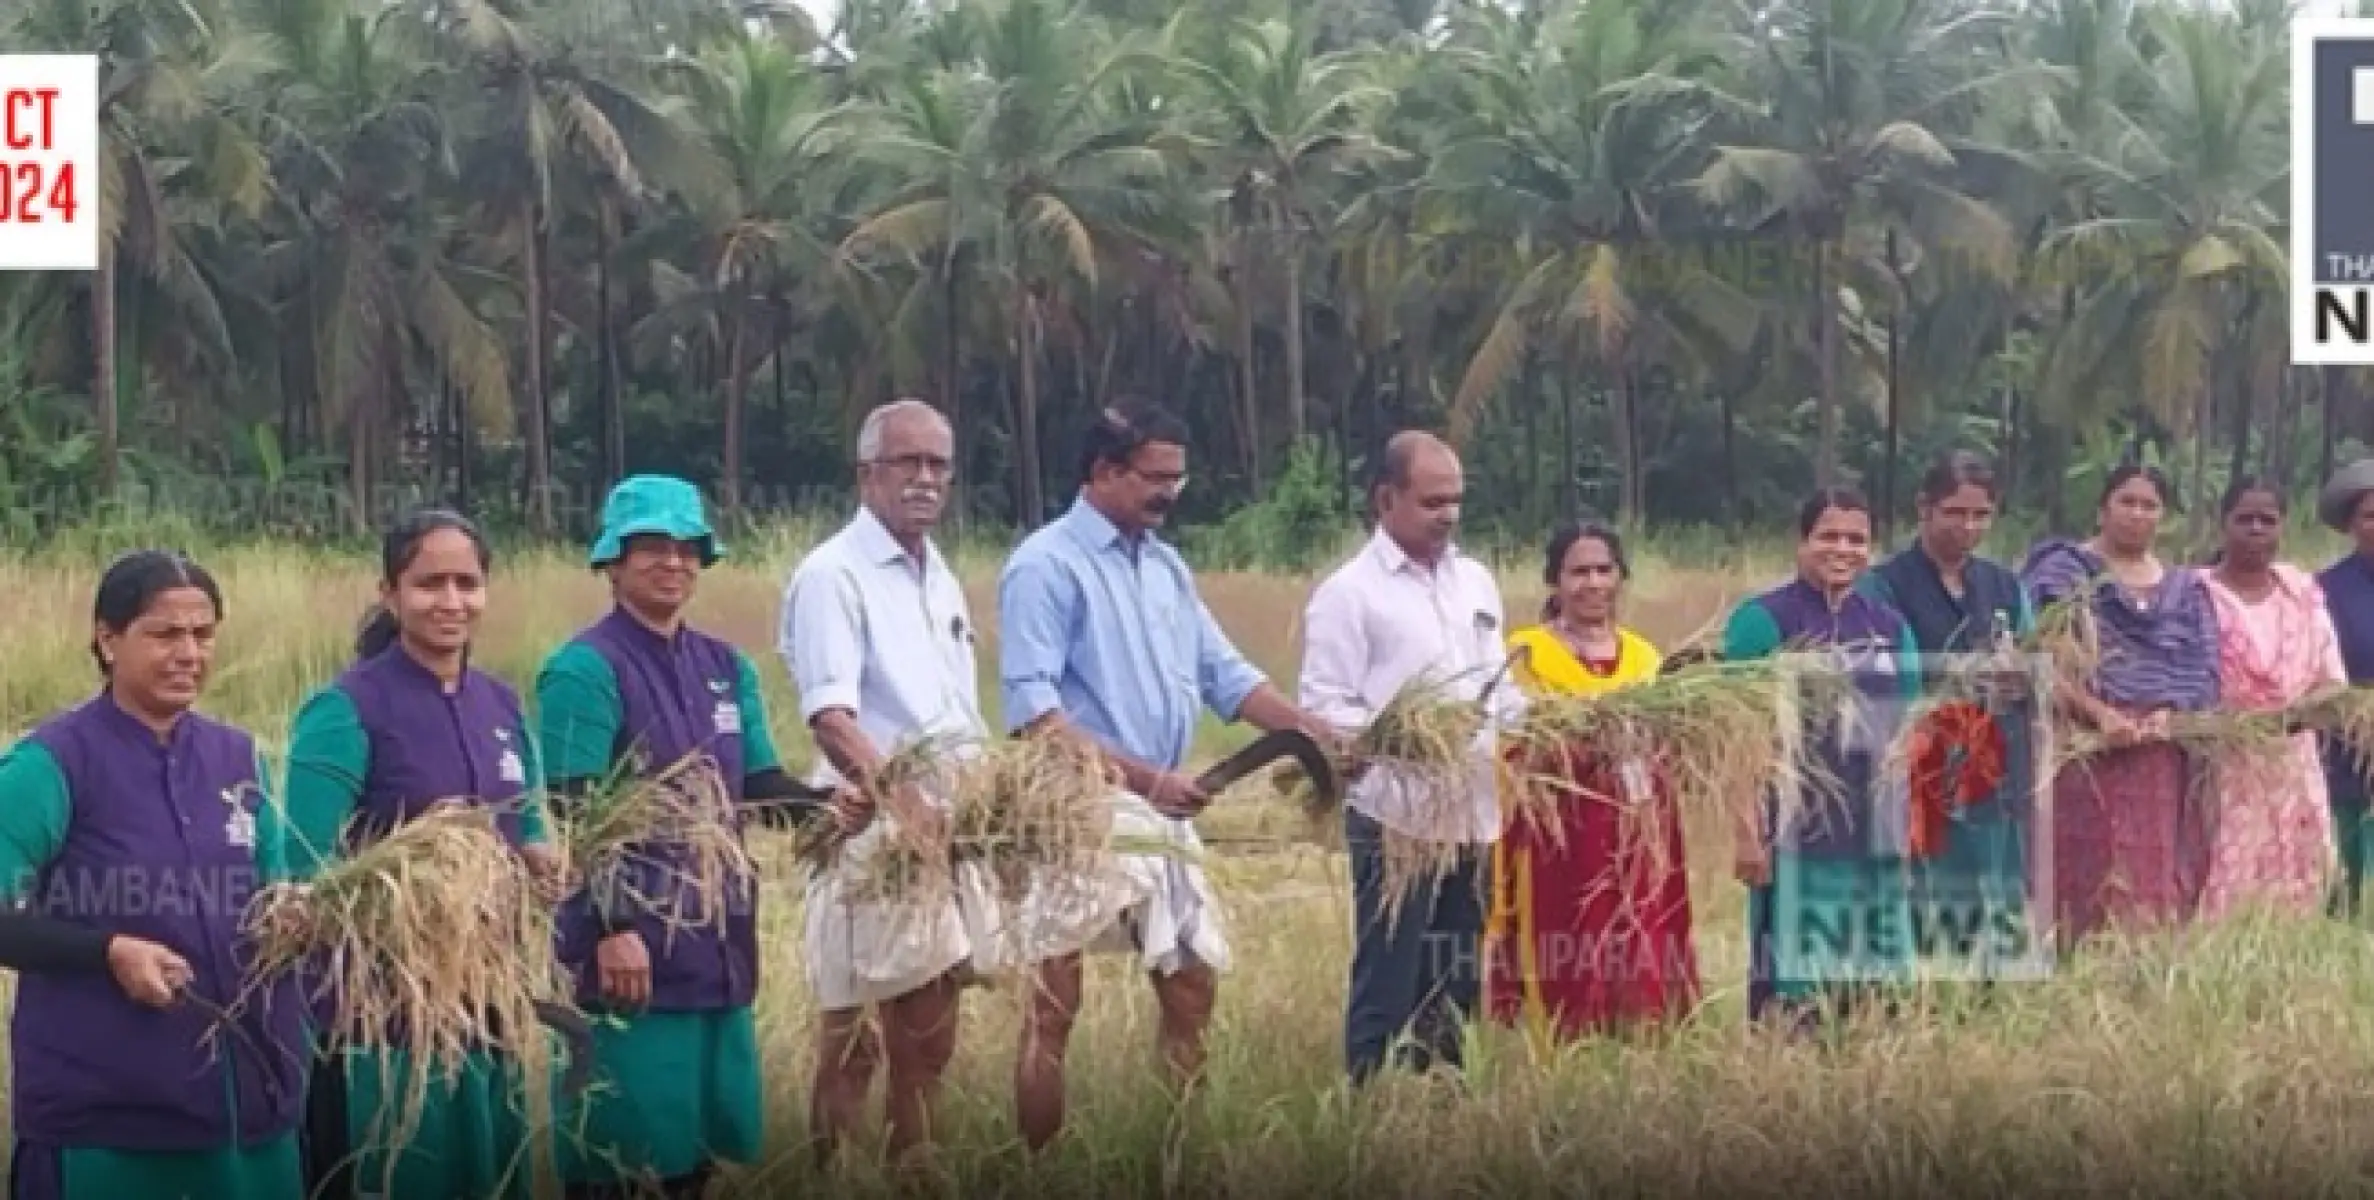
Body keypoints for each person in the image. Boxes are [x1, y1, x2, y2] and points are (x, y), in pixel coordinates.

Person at [997, 398, 1337, 1149]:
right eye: (1156, 478)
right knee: (1055, 1000)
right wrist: (1147, 781)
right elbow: (1036, 719)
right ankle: (1033, 1169)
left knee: (1191, 987)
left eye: (1177, 479)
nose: (1170, 494)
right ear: (1104, 472)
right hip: (1075, 803)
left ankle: (1178, 1157)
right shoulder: (1045, 566)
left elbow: (1227, 677)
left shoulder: (1165, 567)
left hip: (1161, 812)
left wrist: (1318, 734)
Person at [536, 474, 865, 1200]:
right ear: (612, 562)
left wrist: (825, 807)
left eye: (688, 548)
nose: (673, 562)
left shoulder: (724, 667)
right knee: (625, 1160)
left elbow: (756, 785)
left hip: (717, 941)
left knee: (699, 1161)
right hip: (633, 951)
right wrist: (613, 926)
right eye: (650, 546)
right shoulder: (584, 670)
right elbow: (572, 809)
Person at [0, 550, 309, 1200]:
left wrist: (292, 912)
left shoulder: (238, 757)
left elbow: (273, 888)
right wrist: (107, 952)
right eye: (165, 634)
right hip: (112, 1126)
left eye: (203, 634)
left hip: (249, 1112)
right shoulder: (52, 765)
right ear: (108, 640)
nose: (189, 653)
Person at [280, 509, 564, 1199]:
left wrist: (540, 863)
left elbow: (526, 828)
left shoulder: (499, 704)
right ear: (389, 592)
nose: (451, 601)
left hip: (484, 1006)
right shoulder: (345, 710)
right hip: (381, 1021)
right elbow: (304, 874)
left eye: (467, 583)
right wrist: (420, 898)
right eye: (429, 583)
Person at [780, 400, 984, 1167]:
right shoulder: (833, 575)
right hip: (870, 832)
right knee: (855, 1038)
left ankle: (912, 1173)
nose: (925, 479)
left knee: (929, 1033)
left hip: (942, 834)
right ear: (867, 475)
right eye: (908, 463)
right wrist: (907, 807)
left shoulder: (942, 579)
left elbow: (956, 712)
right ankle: (830, 1174)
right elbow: (831, 717)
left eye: (938, 464)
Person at [1299, 432, 1517, 1084]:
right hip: (1395, 817)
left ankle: (1443, 1101)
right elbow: (1325, 706)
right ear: (1386, 499)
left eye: (1455, 500)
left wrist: (1545, 721)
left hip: (1472, 812)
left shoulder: (1474, 580)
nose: (1448, 514)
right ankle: (1368, 1104)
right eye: (1432, 501)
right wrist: (1406, 739)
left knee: (1456, 974)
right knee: (1390, 971)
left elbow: (1499, 684)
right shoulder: (1349, 594)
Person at [1483, 519, 1700, 1044]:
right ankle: (1561, 1035)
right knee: (1566, 926)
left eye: (1605, 570)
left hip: (1635, 820)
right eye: (1579, 571)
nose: (1594, 583)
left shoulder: (1644, 657)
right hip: (1561, 824)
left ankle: (1639, 1028)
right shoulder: (1526, 652)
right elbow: (1514, 735)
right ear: (1555, 581)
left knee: (1639, 924)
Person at [1724, 488, 1919, 1029]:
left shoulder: (1888, 626)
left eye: (1856, 539)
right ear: (1801, 542)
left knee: (1874, 980)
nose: (1843, 549)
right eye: (1828, 536)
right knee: (1795, 981)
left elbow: (1904, 734)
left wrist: (1907, 824)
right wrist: (1745, 830)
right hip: (1793, 822)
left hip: (1870, 823)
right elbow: (1739, 733)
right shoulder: (1762, 621)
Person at [2019, 464, 2221, 945]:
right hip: (2080, 747)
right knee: (2076, 865)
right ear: (2102, 508)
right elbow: (2036, 658)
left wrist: (2171, 717)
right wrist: (2098, 712)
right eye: (2126, 502)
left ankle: (2138, 972)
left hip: (2158, 753)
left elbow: (2203, 666)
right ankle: (2066, 960)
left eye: (2149, 505)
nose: (2137, 514)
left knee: (2147, 873)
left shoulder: (2185, 589)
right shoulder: (2065, 574)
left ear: (2163, 517)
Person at [1858, 452, 2039, 979]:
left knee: (1994, 878)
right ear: (1925, 509)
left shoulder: (2004, 586)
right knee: (1928, 883)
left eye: (1981, 515)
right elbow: (1885, 671)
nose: (1969, 527)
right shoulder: (1885, 584)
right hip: (1920, 761)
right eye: (1955, 513)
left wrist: (2020, 675)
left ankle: (1989, 993)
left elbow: (2032, 655)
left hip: (1995, 761)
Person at [2195, 478, 2346, 920]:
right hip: (2222, 760)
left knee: (2299, 878)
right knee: (2224, 873)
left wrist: (2306, 713)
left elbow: (2329, 673)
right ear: (2223, 525)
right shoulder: (2195, 594)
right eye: (2245, 519)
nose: (2256, 529)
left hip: (2294, 760)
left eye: (2268, 520)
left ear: (2282, 527)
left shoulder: (2301, 593)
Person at [2315, 458, 2374, 919]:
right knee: (2350, 843)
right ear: (2352, 525)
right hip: (2349, 742)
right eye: (2370, 516)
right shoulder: (2325, 589)